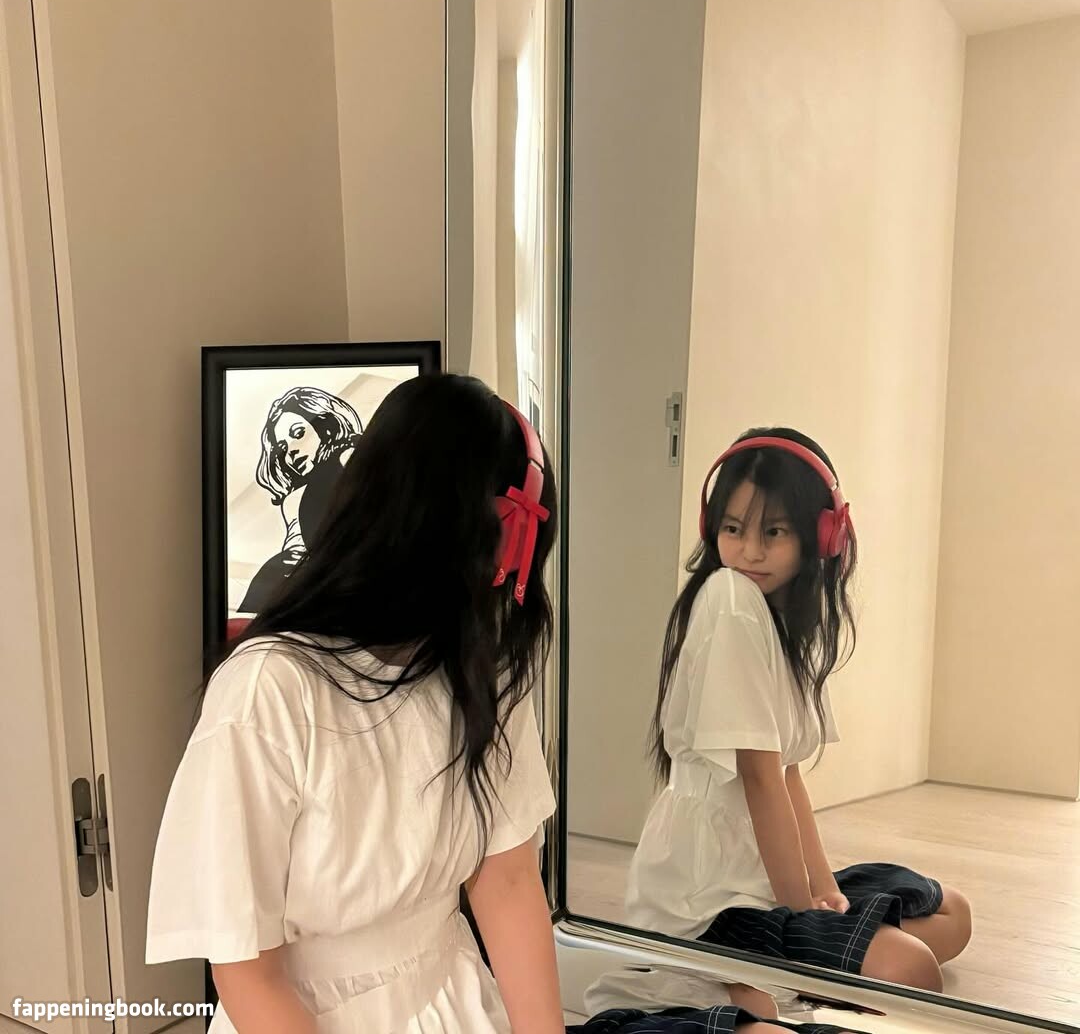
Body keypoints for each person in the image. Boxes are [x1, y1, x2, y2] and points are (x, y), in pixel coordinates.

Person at [146, 373, 564, 1033]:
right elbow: (246, 970)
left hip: (451, 993)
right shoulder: (270, 689)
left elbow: (507, 878)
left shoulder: (484, 666)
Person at [625, 428, 972, 996]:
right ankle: (776, 973)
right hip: (711, 893)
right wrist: (802, 910)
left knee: (952, 914)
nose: (750, 551)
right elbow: (760, 779)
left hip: (764, 862)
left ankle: (806, 965)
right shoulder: (731, 599)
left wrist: (823, 888)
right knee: (913, 969)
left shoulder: (784, 621)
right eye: (733, 529)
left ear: (820, 536)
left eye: (774, 532)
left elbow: (788, 777)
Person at [238, 387, 363, 613]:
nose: (291, 452)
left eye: (298, 433)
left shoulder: (349, 458)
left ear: (327, 426)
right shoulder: (296, 497)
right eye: (282, 447)